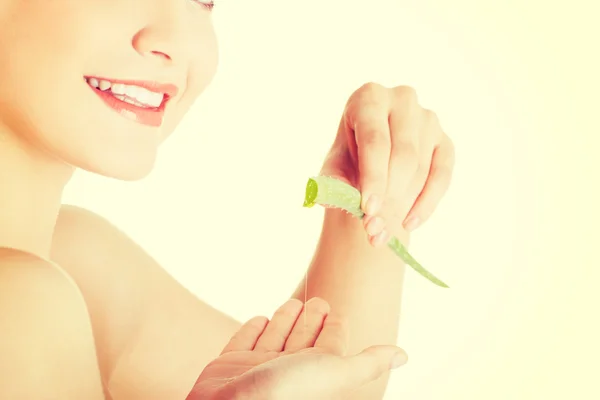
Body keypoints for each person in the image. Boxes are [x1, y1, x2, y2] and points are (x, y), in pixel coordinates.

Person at [0, 0, 455, 399]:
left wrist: (368, 189)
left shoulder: (78, 258)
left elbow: (332, 384)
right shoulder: (19, 298)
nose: (175, 41)